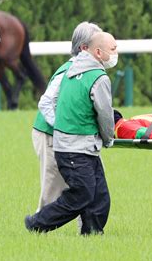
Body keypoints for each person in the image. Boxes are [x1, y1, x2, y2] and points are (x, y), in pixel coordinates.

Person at [25, 31, 118, 235]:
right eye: (113, 49)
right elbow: (103, 114)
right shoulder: (98, 78)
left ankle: (92, 233)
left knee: (98, 194)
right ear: (97, 51)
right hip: (74, 145)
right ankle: (37, 224)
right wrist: (108, 138)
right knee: (81, 194)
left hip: (80, 145)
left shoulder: (70, 70)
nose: (116, 53)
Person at [31, 21, 102, 213]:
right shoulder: (68, 72)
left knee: (88, 185)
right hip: (50, 135)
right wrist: (66, 129)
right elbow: (45, 104)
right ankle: (38, 229)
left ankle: (89, 231)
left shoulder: (88, 72)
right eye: (99, 44)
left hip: (73, 138)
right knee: (52, 192)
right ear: (84, 48)